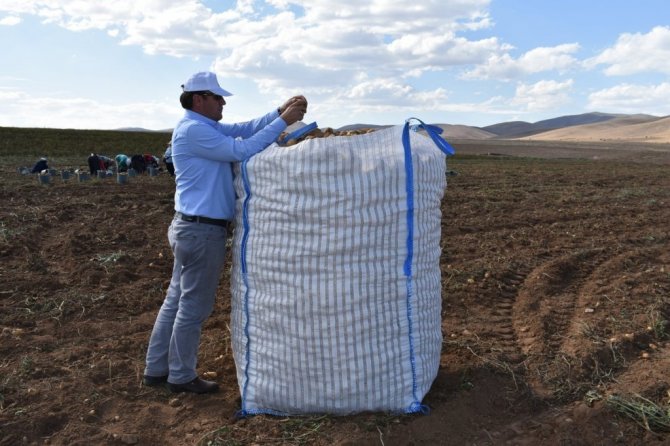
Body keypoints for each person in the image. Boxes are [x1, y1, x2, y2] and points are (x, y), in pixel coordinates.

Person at [143, 71, 307, 394]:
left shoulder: (201, 126)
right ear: (199, 99)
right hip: (202, 232)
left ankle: (156, 368)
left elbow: (244, 129)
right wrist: (283, 122)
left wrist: (277, 113)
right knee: (193, 307)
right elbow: (240, 150)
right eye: (217, 97)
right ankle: (181, 375)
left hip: (190, 227)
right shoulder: (194, 131)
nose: (222, 103)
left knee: (175, 300)